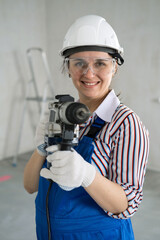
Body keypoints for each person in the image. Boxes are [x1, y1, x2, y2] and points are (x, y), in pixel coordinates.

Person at [24, 15, 149, 240]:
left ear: (114, 67)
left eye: (100, 63)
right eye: (79, 63)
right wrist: (41, 148)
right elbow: (30, 186)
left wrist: (86, 175)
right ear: (68, 68)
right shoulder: (62, 115)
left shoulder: (125, 123)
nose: (89, 73)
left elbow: (126, 205)